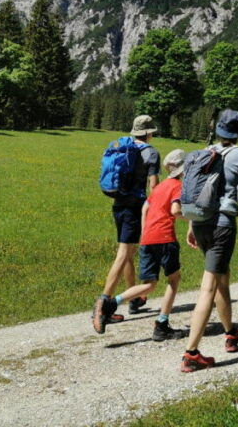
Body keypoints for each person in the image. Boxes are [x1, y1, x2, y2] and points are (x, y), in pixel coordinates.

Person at [181, 109, 238, 373]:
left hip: (200, 222)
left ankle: (231, 333)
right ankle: (191, 353)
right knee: (209, 286)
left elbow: (196, 190)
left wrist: (191, 225)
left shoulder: (204, 152)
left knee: (222, 277)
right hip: (223, 225)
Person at [93, 149, 187, 341]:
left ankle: (111, 303)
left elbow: (145, 208)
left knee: (150, 284)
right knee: (174, 280)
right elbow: (175, 209)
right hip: (165, 238)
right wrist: (193, 217)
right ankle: (162, 324)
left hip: (148, 239)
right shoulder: (177, 186)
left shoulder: (158, 188)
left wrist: (145, 233)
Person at [93, 115, 160, 333]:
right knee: (123, 252)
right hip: (135, 208)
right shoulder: (151, 153)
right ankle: (103, 302)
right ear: (149, 133)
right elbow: (154, 187)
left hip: (118, 204)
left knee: (129, 252)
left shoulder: (122, 147)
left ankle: (133, 298)